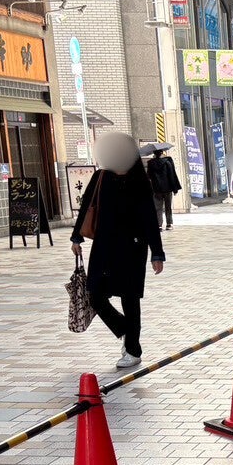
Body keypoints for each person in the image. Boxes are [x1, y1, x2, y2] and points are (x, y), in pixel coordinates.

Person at [71, 131, 166, 371]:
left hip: (133, 247)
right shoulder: (101, 177)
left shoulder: (140, 181)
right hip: (103, 245)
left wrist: (157, 253)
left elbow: (149, 218)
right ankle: (125, 331)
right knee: (95, 295)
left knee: (130, 300)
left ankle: (133, 351)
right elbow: (86, 207)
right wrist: (76, 237)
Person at [146, 145, 182, 231]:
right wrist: (175, 189)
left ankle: (159, 226)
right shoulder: (167, 162)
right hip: (168, 189)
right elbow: (172, 176)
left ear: (154, 154)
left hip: (157, 189)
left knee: (158, 208)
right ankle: (169, 224)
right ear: (162, 153)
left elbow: (149, 176)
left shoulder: (150, 163)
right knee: (168, 207)